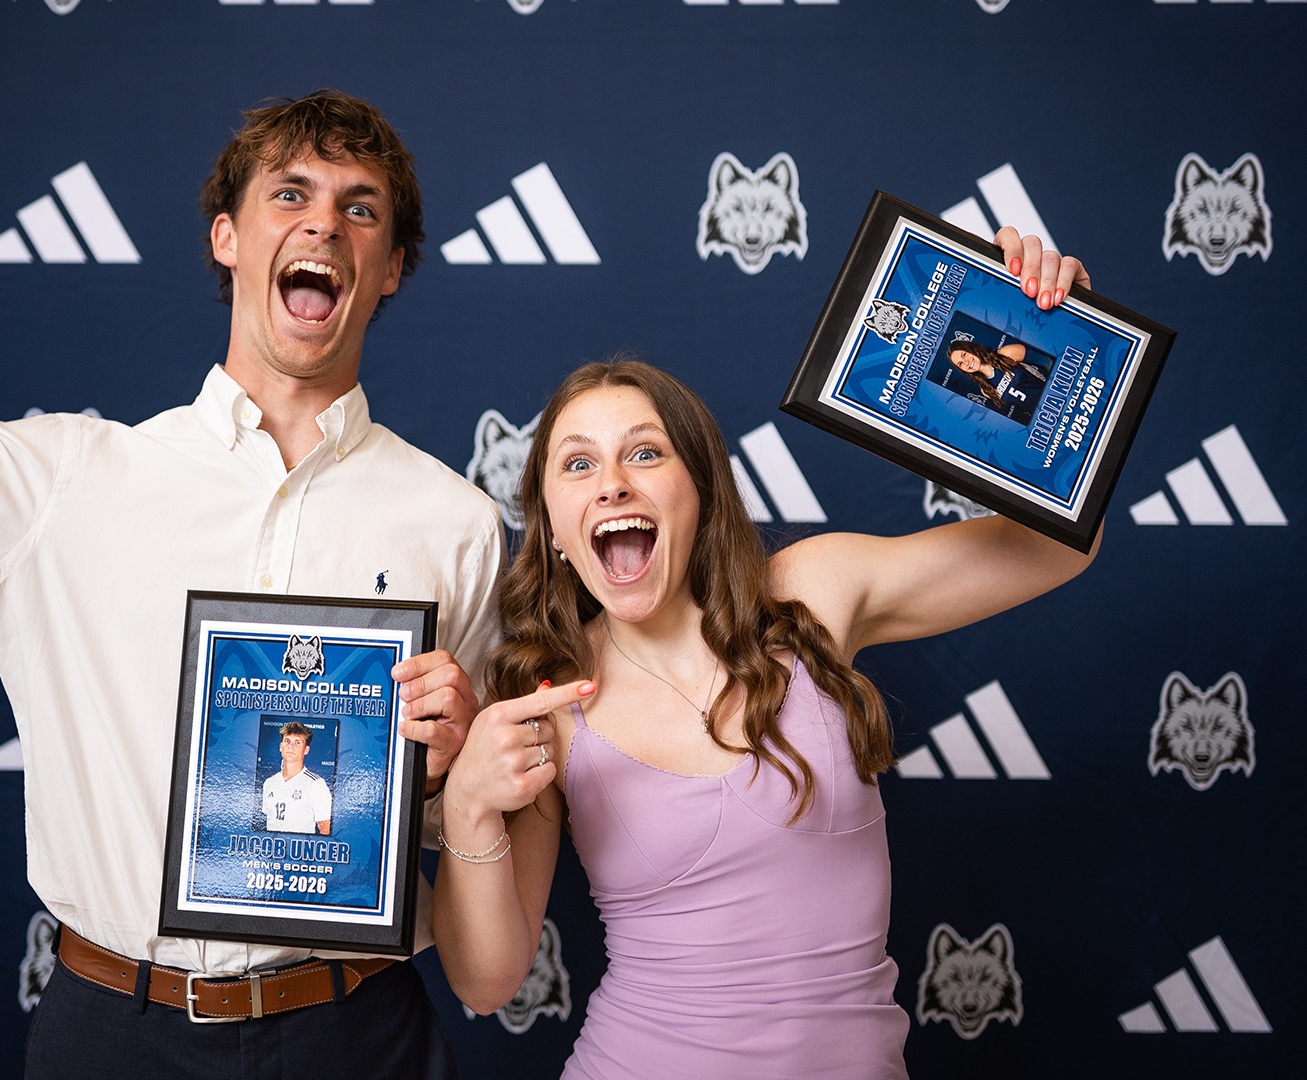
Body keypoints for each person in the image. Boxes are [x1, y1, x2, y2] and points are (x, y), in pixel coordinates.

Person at [0, 75, 503, 1078]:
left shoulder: (458, 524)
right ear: (227, 237)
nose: (326, 228)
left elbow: (446, 823)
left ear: (389, 268)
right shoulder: (69, 482)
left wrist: (452, 761)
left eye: (361, 209)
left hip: (354, 1029)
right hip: (117, 1032)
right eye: (290, 196)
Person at [429, 235, 1095, 1080]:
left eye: (645, 452)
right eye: (577, 464)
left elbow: (1060, 545)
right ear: (555, 531)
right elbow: (486, 983)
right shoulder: (546, 704)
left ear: (700, 493)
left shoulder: (810, 595)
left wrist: (1056, 348)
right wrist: (469, 810)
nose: (611, 484)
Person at [946, 337, 1049, 421]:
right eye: (960, 364)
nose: (966, 362)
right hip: (1044, 416)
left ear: (971, 348)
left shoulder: (1006, 353)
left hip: (1052, 396)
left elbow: (1048, 362)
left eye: (964, 354)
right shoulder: (986, 390)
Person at [263, 721, 332, 835]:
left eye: (297, 742)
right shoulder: (269, 783)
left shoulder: (316, 784)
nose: (291, 746)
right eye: (287, 741)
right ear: (281, 746)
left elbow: (325, 829)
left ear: (306, 750)